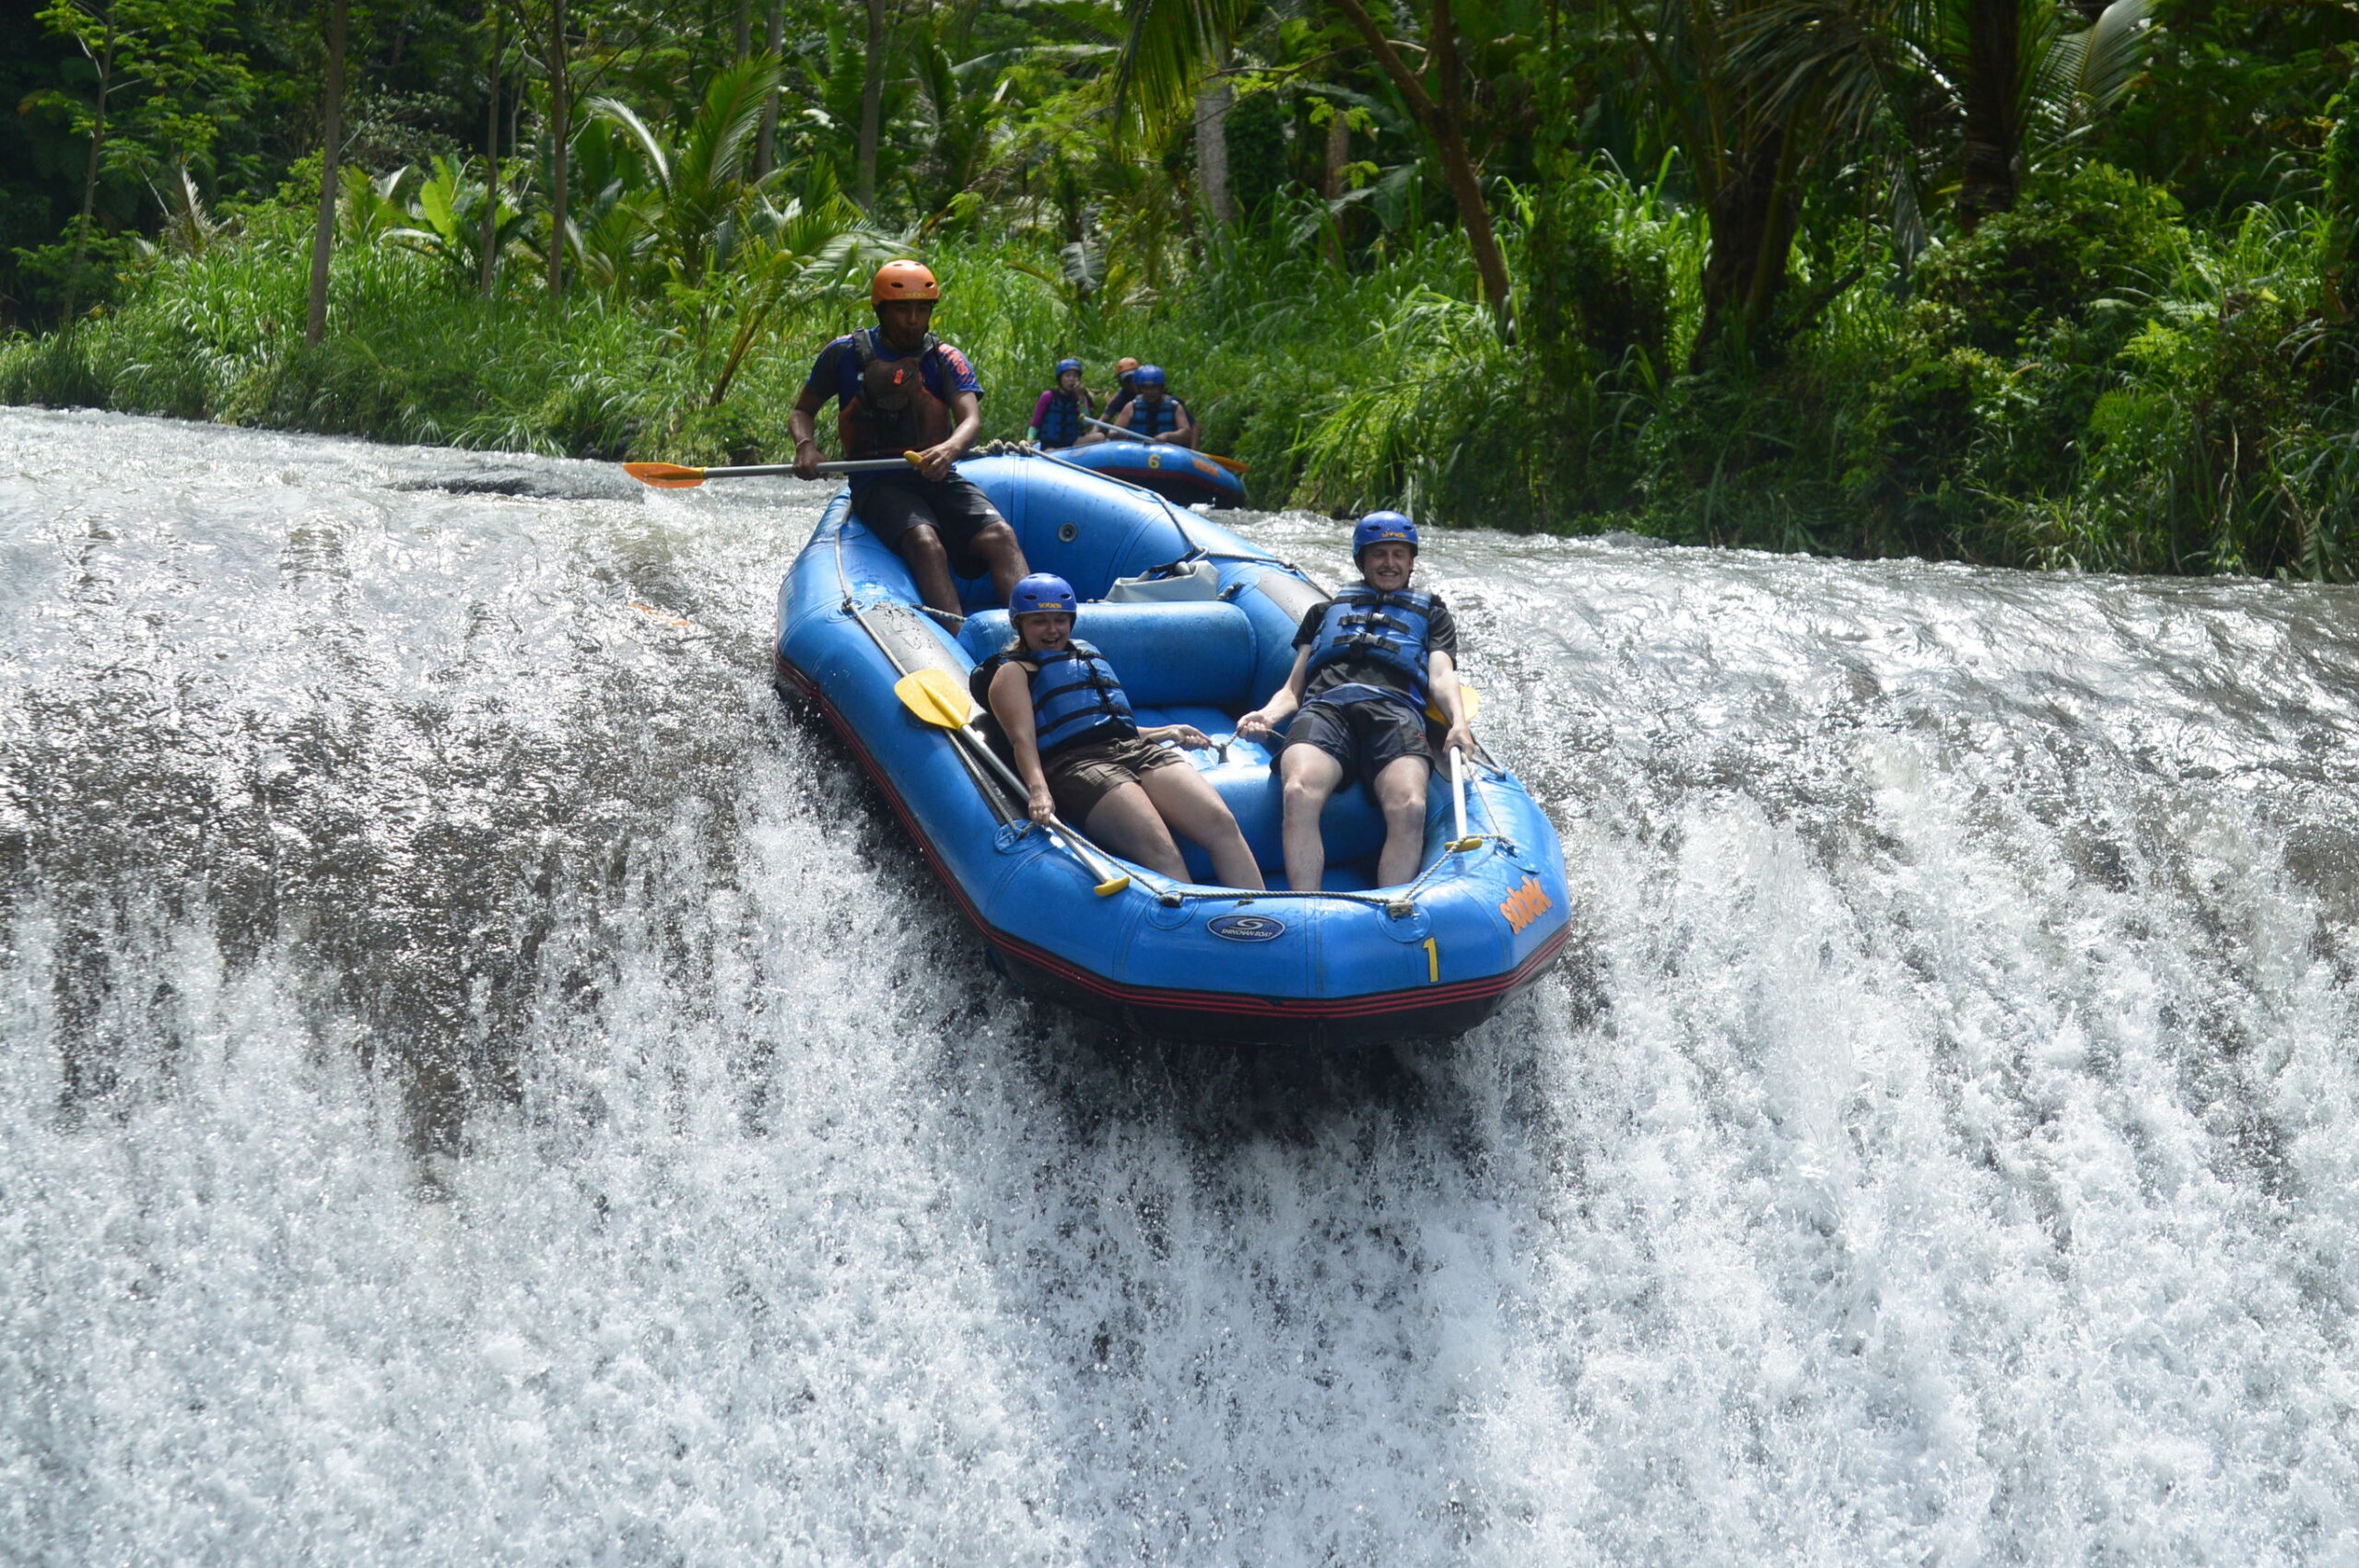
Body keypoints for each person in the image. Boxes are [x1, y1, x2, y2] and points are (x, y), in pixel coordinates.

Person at [1236, 512, 1473, 891]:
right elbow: (1292, 691)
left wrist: (1458, 722)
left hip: (1395, 711)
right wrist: (1265, 716)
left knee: (1411, 807)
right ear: (1361, 560)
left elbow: (1442, 675)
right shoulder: (1323, 614)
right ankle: (1306, 905)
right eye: (1379, 554)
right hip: (1325, 708)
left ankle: (1391, 908)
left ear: (1412, 561)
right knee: (1298, 791)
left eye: (1399, 554)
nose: (1390, 563)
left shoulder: (1432, 614)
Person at [981, 573, 1266, 889]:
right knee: (1161, 849)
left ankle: (1260, 918)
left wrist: (1167, 731)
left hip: (1132, 750)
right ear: (1019, 623)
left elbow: (1108, 725)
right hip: (1076, 766)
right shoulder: (1012, 673)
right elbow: (1022, 739)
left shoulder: (1084, 654)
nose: (1052, 630)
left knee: (1222, 824)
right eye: (1040, 621)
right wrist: (1038, 790)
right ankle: (1197, 927)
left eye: (1061, 620)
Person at [789, 259, 1028, 618]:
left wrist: (950, 448)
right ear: (881, 309)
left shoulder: (945, 358)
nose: (914, 320)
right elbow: (801, 411)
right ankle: (957, 639)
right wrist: (805, 446)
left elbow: (970, 418)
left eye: (922, 309)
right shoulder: (843, 354)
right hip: (877, 481)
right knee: (925, 542)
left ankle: (1034, 635)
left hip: (937, 475)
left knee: (1001, 536)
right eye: (903, 309)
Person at [1112, 364, 1197, 450]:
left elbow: (1186, 433)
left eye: (1153, 387)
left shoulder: (1175, 406)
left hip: (1167, 451)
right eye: (1145, 388)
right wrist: (1116, 434)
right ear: (1139, 388)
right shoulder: (1131, 406)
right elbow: (1113, 432)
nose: (1149, 392)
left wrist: (1167, 436)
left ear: (1161, 387)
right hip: (1138, 451)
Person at [1027, 357, 1096, 450]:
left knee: (1100, 437)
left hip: (1071, 444)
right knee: (1051, 451)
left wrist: (1081, 400)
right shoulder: (1048, 396)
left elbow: (1086, 423)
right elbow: (1035, 423)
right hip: (1050, 445)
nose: (1072, 379)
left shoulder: (1081, 398)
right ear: (1060, 378)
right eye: (1068, 376)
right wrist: (1030, 439)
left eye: (1075, 376)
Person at [1078, 357, 1144, 445]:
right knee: (1111, 434)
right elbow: (1102, 420)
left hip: (1148, 435)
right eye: (1127, 380)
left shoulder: (1151, 393)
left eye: (1133, 378)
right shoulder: (1120, 398)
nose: (1131, 383)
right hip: (1129, 437)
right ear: (1121, 382)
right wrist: (1093, 434)